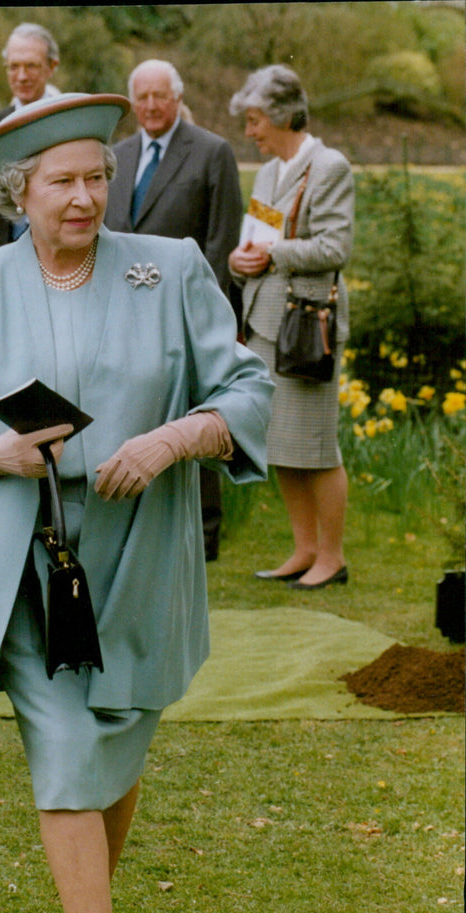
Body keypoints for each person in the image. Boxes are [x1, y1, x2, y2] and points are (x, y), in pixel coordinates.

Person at [0, 94, 272, 913]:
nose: (83, 198)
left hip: (142, 554)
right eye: (60, 183)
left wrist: (169, 438)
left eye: (95, 178)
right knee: (64, 748)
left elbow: (243, 388)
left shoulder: (168, 269)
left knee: (117, 731)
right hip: (28, 560)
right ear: (19, 194)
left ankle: (83, 911)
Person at [104, 60, 244, 563]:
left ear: (177, 97)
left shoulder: (211, 152)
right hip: (119, 313)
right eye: (141, 97)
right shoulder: (116, 156)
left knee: (193, 417)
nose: (150, 106)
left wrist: (206, 320)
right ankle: (130, 519)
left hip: (184, 314)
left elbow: (222, 242)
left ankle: (202, 534)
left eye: (160, 96)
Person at [228, 64, 354, 590]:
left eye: (255, 121)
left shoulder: (328, 167)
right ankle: (304, 549)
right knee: (283, 445)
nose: (250, 131)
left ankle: (333, 558)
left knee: (317, 448)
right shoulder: (270, 174)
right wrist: (240, 261)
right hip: (265, 323)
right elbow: (256, 240)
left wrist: (272, 254)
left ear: (280, 116)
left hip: (306, 328)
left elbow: (334, 248)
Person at [0, 22, 60, 250]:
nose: (21, 76)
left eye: (31, 66)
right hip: (3, 254)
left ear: (51, 67)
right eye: (13, 67)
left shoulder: (68, 123)